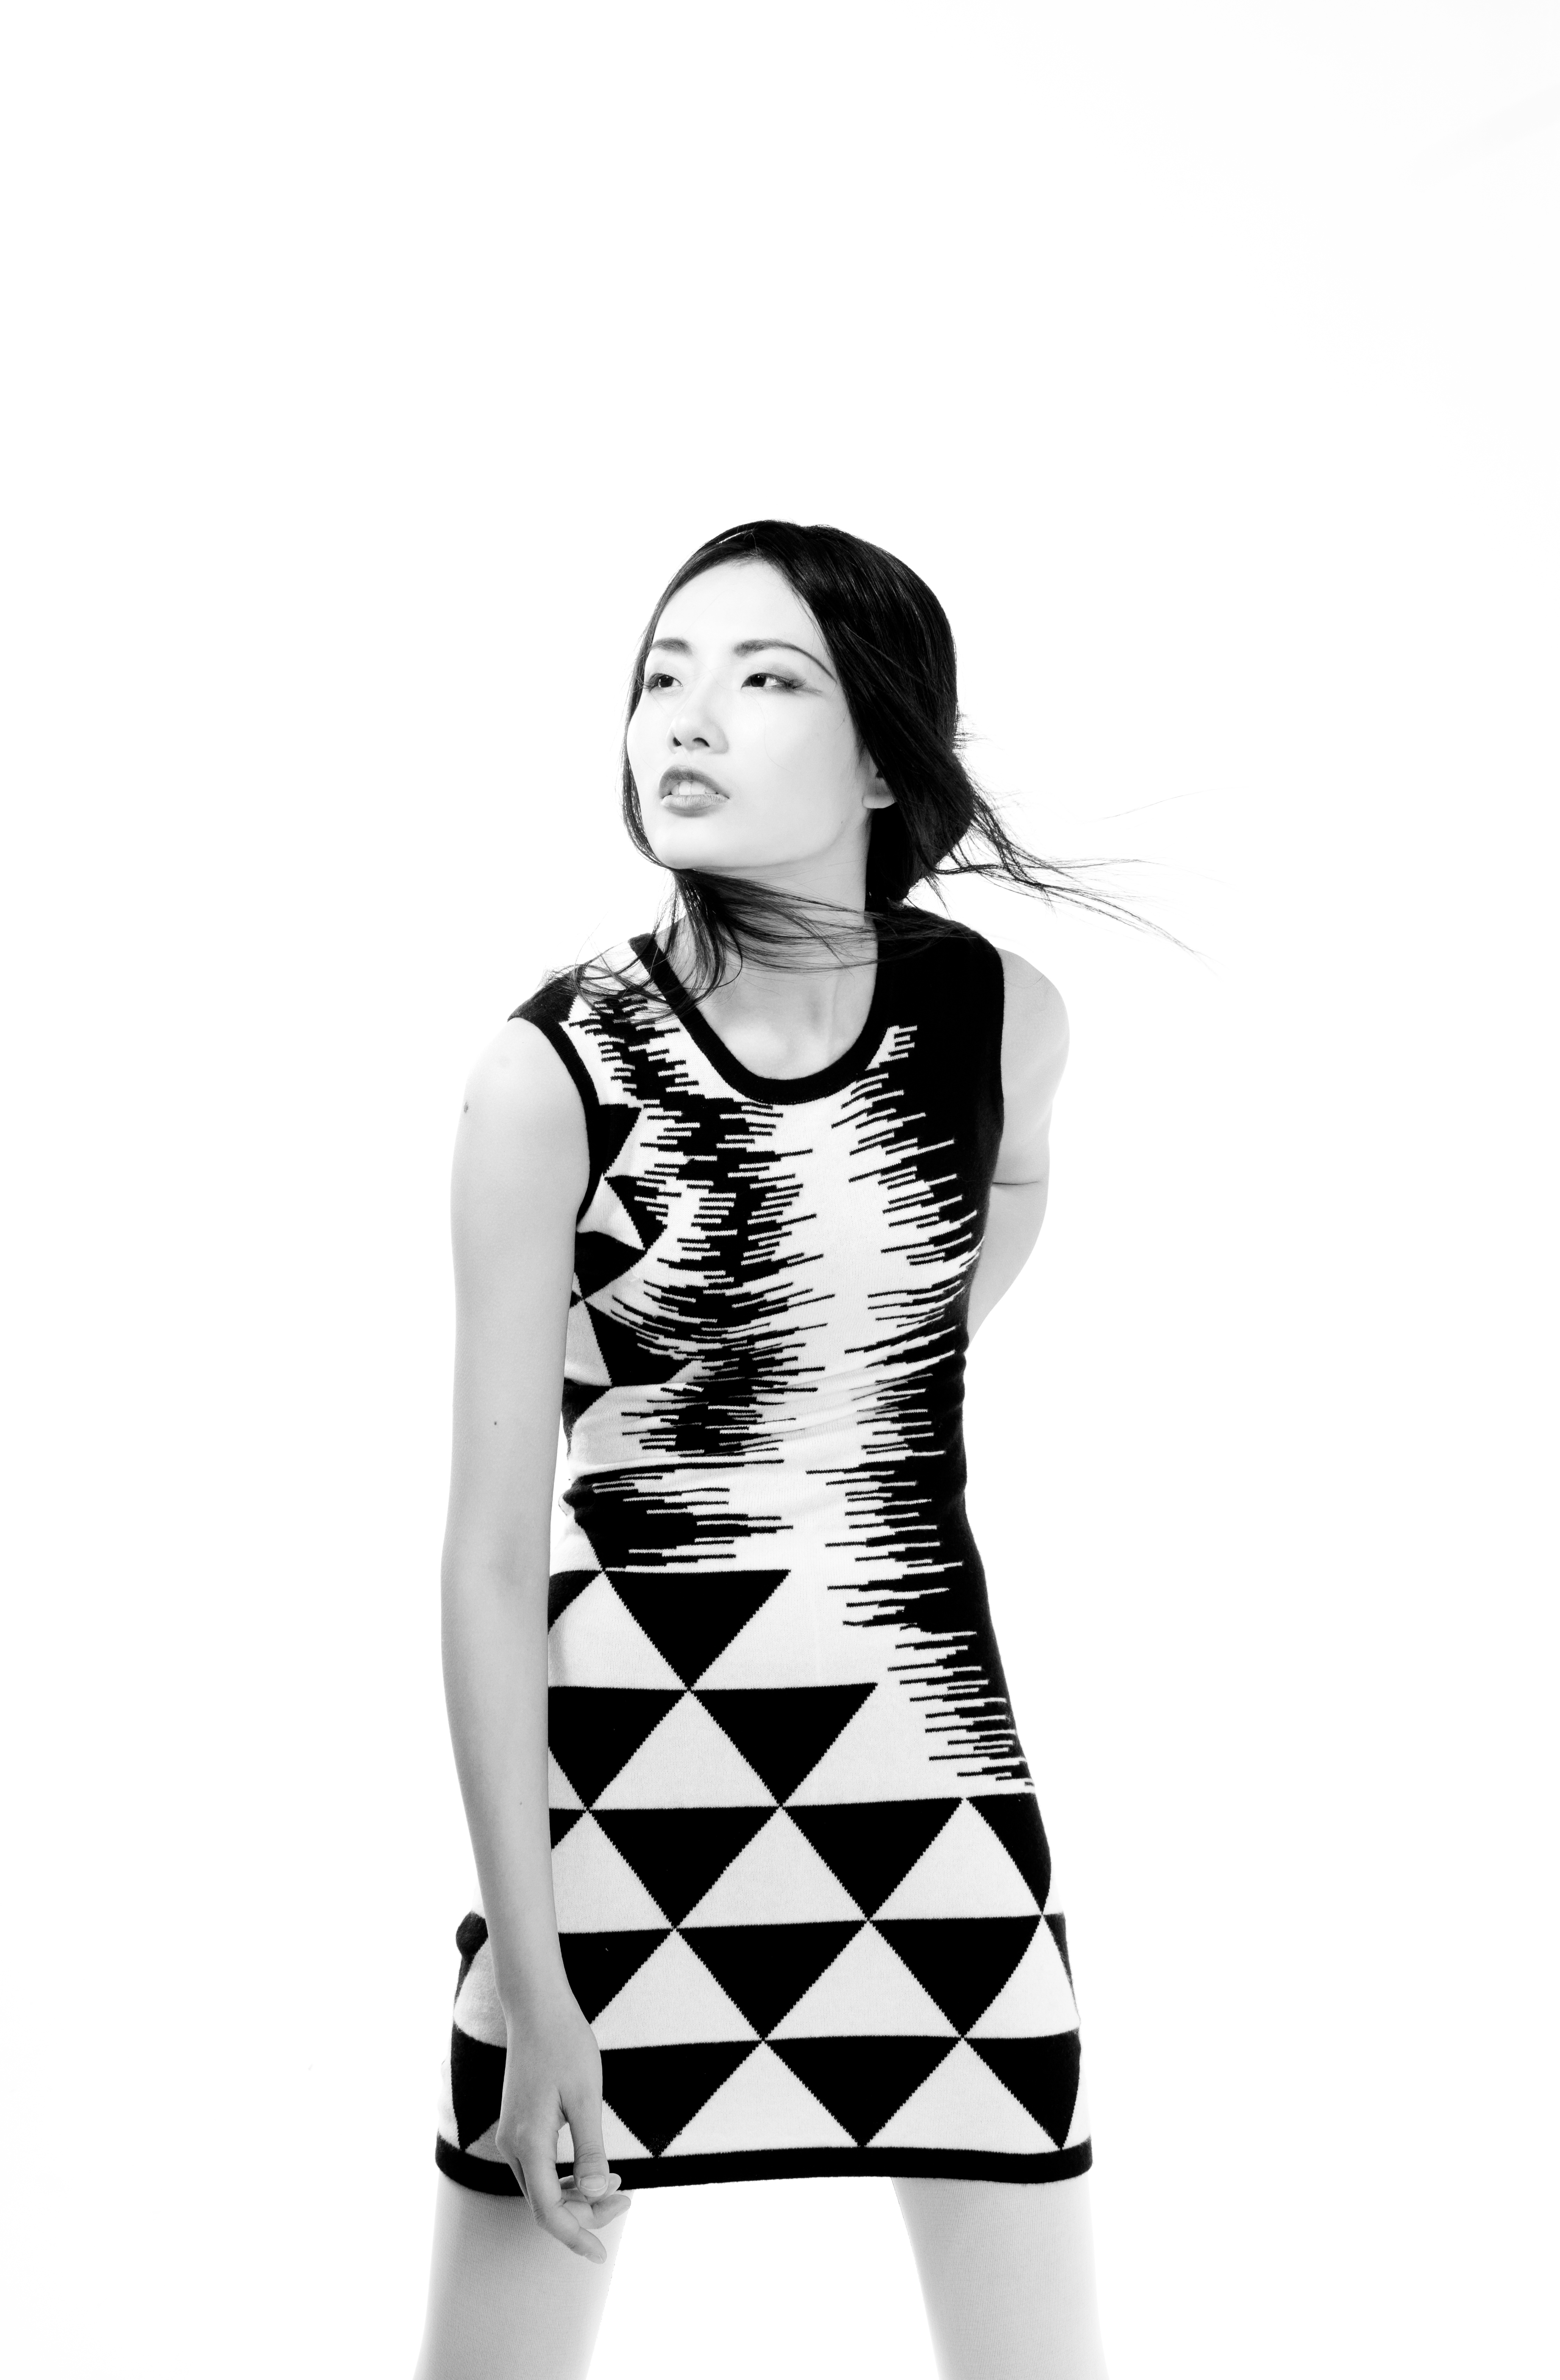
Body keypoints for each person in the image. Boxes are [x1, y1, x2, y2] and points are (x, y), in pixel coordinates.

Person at [413, 521, 1123, 2380]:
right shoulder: (552, 1071)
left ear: (884, 758)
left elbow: (999, 1200)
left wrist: (831, 1385)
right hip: (610, 1825)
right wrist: (537, 1983)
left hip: (939, 1801)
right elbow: (489, 1554)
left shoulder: (999, 1021)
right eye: (662, 675)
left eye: (766, 676)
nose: (689, 717)